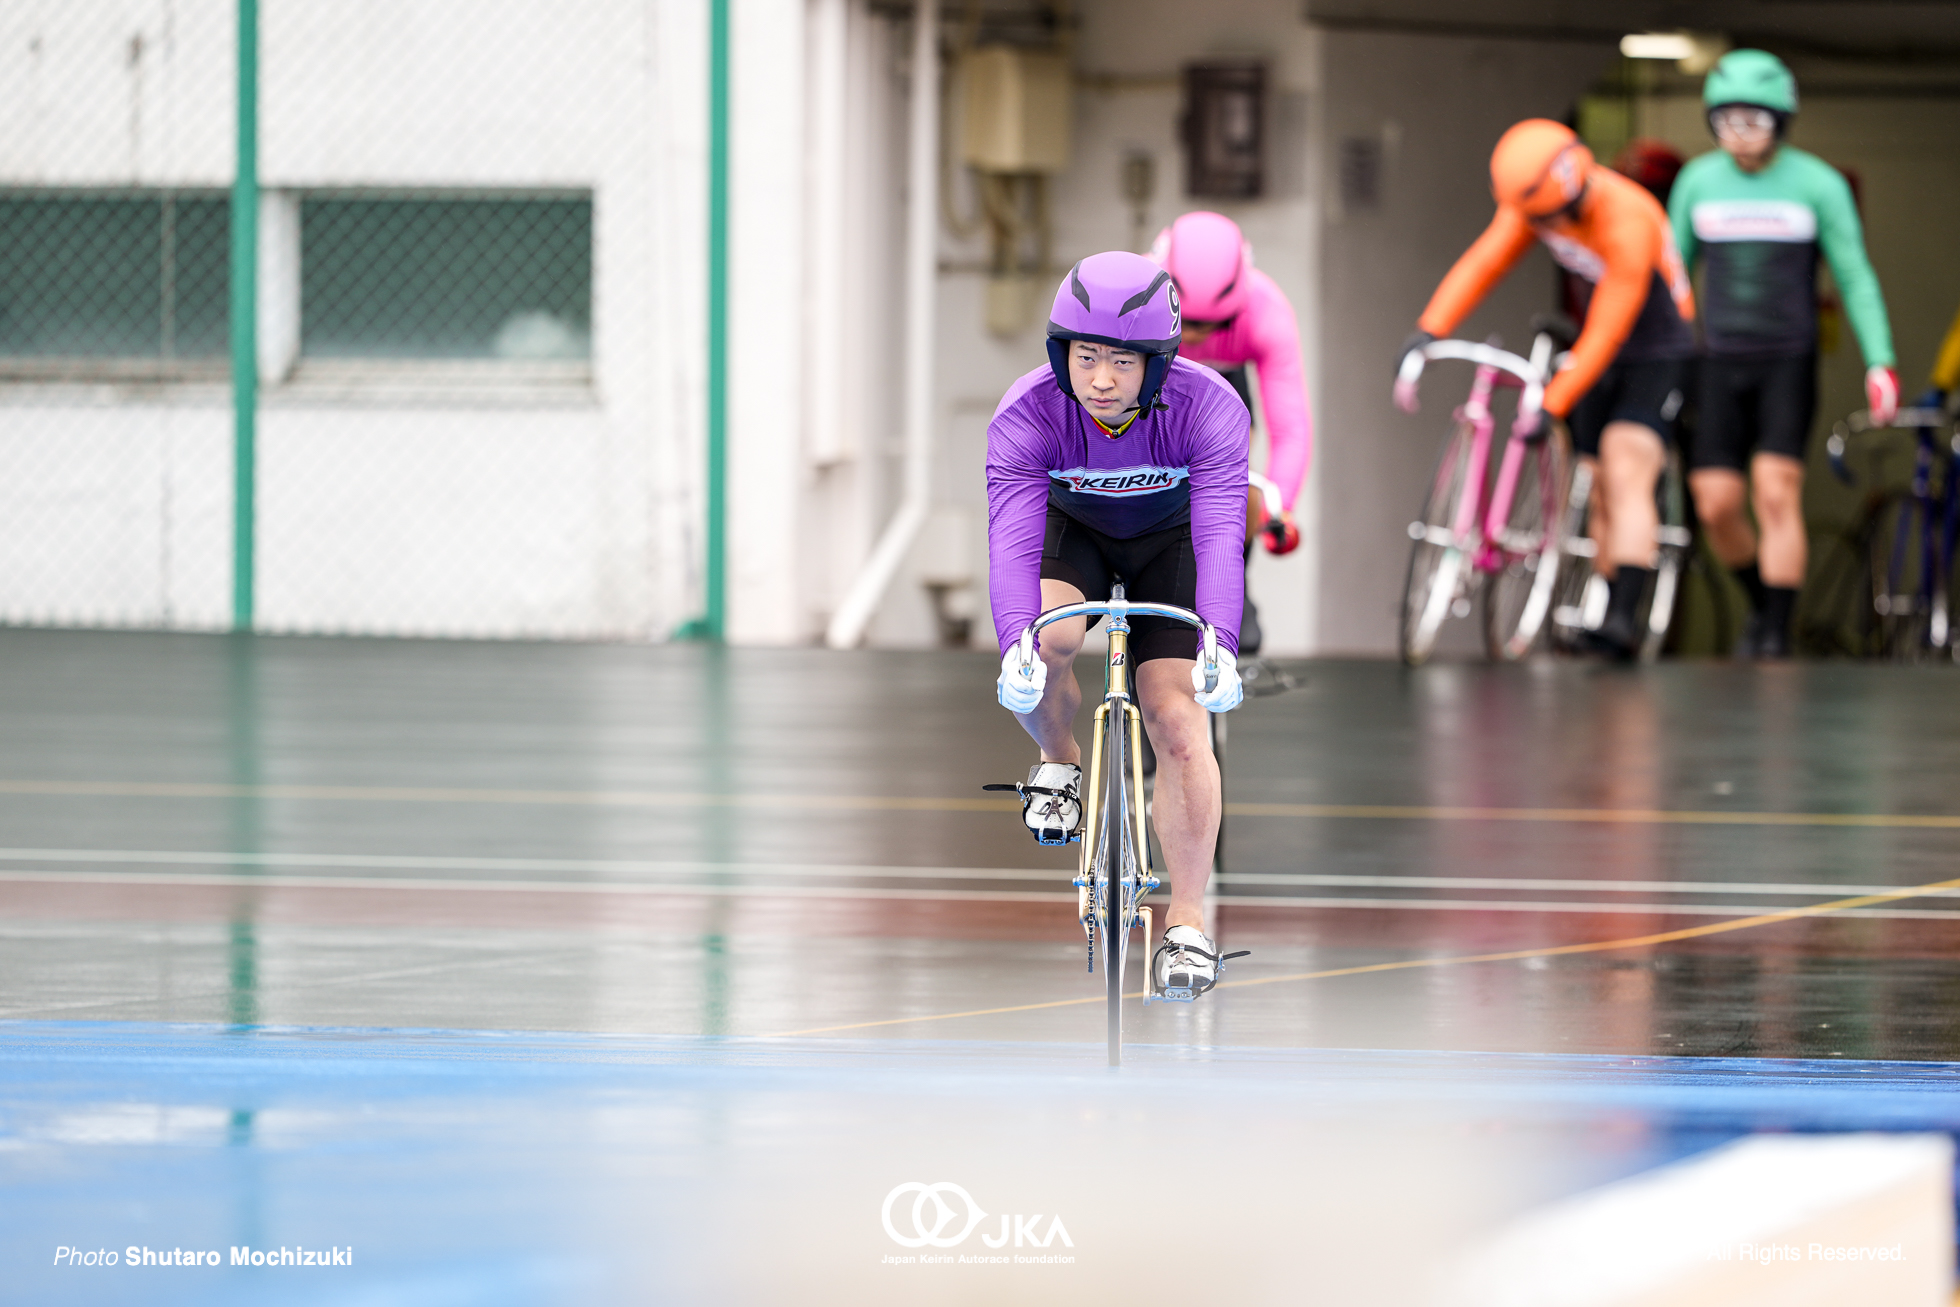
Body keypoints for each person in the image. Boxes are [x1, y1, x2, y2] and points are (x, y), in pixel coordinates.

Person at [987, 251, 1248, 997]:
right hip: (1076, 536)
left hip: (1172, 545)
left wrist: (1219, 646)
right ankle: (1062, 758)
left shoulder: (1211, 407)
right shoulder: (1027, 411)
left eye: (1123, 362)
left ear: (1160, 363)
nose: (1100, 379)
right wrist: (1015, 645)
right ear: (1059, 352)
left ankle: (1188, 923)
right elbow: (1010, 538)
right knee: (1052, 642)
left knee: (1175, 715)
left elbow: (1220, 531)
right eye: (1085, 355)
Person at [1398, 119, 1696, 659]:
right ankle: (1605, 602)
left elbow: (1611, 324)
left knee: (1626, 462)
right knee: (1597, 479)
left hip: (1657, 347)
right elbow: (1487, 261)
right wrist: (1430, 328)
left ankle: (1625, 618)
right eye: (1537, 220)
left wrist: (1551, 403)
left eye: (1554, 217)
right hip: (1597, 343)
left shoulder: (1627, 218)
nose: (1546, 227)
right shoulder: (1536, 203)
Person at [1670, 49, 1899, 659]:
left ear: (1782, 120)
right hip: (1718, 361)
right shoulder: (1697, 181)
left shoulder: (1816, 184)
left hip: (1786, 361)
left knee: (1776, 491)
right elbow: (1671, 276)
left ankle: (1775, 631)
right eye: (1727, 122)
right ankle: (1762, 604)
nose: (1740, 136)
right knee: (1715, 503)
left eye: (1755, 121)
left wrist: (1880, 361)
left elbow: (1854, 274)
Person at [1150, 211, 1311, 655]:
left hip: (1226, 384)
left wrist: (1282, 507)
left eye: (1213, 324)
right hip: (1154, 377)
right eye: (1187, 321)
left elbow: (1290, 425)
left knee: (1238, 473)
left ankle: (1234, 579)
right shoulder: (1136, 295)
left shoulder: (1266, 312)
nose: (1198, 335)